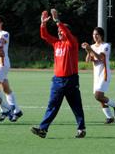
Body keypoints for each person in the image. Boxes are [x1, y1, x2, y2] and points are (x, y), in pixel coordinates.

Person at [31, 9, 86, 138]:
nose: (59, 33)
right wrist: (43, 24)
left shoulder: (72, 43)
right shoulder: (57, 43)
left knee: (76, 105)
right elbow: (44, 36)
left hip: (71, 80)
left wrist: (57, 22)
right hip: (57, 80)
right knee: (52, 105)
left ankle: (81, 128)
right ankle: (43, 129)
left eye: (61, 31)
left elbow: (66, 32)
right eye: (58, 32)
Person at [81, 27, 115, 124]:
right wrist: (87, 50)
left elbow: (101, 58)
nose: (95, 36)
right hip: (96, 75)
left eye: (97, 34)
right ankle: (110, 117)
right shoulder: (92, 46)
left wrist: (91, 49)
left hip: (104, 74)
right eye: (94, 35)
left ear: (101, 35)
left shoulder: (106, 45)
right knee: (100, 97)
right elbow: (87, 60)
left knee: (98, 96)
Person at [0, 14, 23, 122]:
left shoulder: (4, 34)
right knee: (6, 89)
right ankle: (17, 111)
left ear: (1, 23)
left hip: (2, 64)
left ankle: (4, 110)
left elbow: (0, 43)